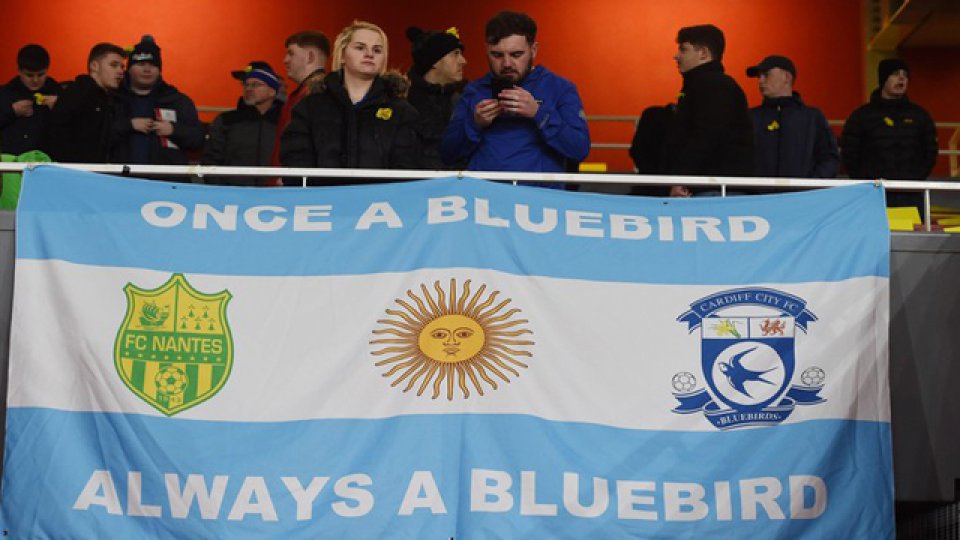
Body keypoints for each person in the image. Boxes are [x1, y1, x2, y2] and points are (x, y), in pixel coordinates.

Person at [440, 10, 590, 185]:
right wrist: (474, 124)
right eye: (497, 55)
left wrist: (539, 113)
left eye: (516, 54)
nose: (507, 64)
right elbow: (447, 155)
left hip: (540, 201)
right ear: (486, 50)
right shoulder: (474, 91)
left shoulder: (560, 89)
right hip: (485, 200)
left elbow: (579, 149)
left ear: (533, 50)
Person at [280, 20, 421, 182]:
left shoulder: (402, 111)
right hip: (323, 204)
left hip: (379, 205)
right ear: (342, 55)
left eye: (377, 50)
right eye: (360, 47)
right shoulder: (310, 107)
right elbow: (296, 161)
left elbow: (407, 168)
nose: (369, 54)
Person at [661, 24, 754, 196]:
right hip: (708, 186)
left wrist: (684, 178)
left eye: (683, 49)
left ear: (703, 53)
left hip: (713, 190)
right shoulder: (703, 85)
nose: (676, 56)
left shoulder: (713, 86)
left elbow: (707, 135)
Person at [841, 58, 938, 209]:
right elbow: (849, 152)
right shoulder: (861, 116)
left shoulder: (920, 116)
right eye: (895, 74)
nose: (901, 78)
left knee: (913, 233)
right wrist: (867, 180)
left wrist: (915, 177)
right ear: (883, 78)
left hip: (911, 194)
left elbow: (930, 151)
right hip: (872, 194)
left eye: (905, 75)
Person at [111, 35, 204, 166]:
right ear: (129, 69)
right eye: (141, 64)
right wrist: (129, 125)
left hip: (165, 183)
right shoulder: (112, 98)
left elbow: (198, 139)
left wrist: (174, 129)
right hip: (118, 180)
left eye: (153, 65)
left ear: (160, 70)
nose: (147, 70)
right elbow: (96, 137)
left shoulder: (178, 101)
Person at [746, 55, 839, 178]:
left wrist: (809, 186)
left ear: (786, 77)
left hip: (803, 196)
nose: (761, 80)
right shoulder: (750, 117)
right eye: (759, 76)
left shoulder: (812, 117)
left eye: (766, 74)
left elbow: (829, 158)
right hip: (760, 196)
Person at [202, 61, 282, 185]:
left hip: (278, 198)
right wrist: (220, 189)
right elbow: (210, 159)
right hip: (232, 198)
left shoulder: (286, 121)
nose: (249, 88)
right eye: (246, 84)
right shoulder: (226, 120)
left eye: (256, 84)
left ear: (272, 91)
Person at [45, 43, 126, 163]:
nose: (120, 71)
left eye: (122, 67)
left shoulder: (108, 98)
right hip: (74, 174)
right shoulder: (79, 93)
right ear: (94, 66)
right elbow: (57, 132)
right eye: (113, 65)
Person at [406, 25, 467, 169]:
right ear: (434, 62)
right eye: (455, 54)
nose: (463, 61)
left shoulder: (464, 100)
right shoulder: (403, 102)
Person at [270, 30, 330, 170]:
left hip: (294, 184)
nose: (285, 60)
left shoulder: (316, 96)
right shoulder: (305, 94)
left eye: (291, 53)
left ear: (310, 57)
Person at [0, 45, 60, 155]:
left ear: (47, 70)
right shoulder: (5, 93)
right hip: (13, 164)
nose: (35, 80)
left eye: (41, 74)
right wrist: (11, 111)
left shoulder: (58, 93)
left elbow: (77, 130)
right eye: (29, 75)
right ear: (19, 71)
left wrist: (61, 108)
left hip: (48, 164)